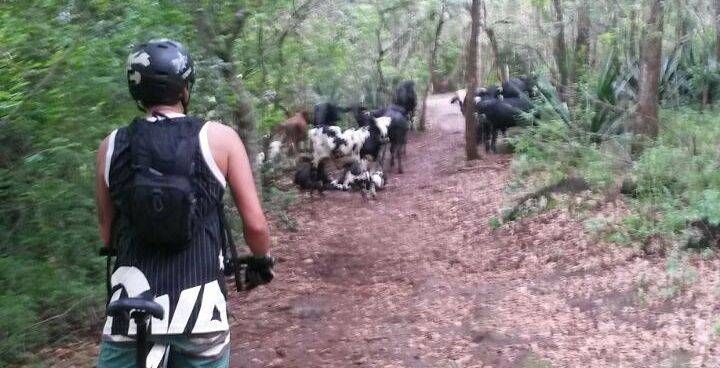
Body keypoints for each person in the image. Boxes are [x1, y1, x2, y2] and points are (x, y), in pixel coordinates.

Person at [94, 39, 271, 368]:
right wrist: (262, 259)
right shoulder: (221, 139)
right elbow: (256, 225)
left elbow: (107, 236)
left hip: (129, 312)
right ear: (185, 88)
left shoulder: (110, 146)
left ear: (136, 91)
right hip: (200, 311)